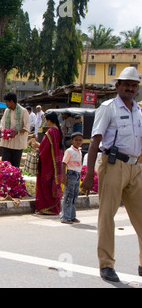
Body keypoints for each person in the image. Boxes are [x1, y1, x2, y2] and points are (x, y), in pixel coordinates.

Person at [81, 66, 142, 283]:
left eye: (134, 85)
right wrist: (89, 174)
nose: (131, 88)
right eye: (126, 84)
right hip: (113, 164)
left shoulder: (138, 111)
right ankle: (106, 265)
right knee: (107, 216)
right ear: (117, 86)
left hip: (136, 168)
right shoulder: (108, 108)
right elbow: (95, 142)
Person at [32, 111, 64, 215]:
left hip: (48, 161)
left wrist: (37, 146)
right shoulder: (59, 131)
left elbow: (44, 148)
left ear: (49, 120)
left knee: (45, 183)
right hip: (57, 160)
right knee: (53, 182)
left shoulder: (50, 131)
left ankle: (47, 207)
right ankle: (54, 207)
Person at [0, 92, 30, 168]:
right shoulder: (7, 111)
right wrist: (5, 131)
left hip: (17, 144)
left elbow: (27, 127)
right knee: (5, 166)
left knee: (15, 167)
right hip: (7, 143)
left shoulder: (23, 111)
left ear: (11, 102)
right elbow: (2, 124)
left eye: (6, 102)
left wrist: (17, 132)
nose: (6, 104)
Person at [60, 132, 83, 224]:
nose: (78, 142)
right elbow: (64, 163)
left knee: (74, 196)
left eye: (80, 140)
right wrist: (64, 176)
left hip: (77, 174)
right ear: (72, 141)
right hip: (70, 174)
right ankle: (65, 217)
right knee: (68, 196)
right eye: (76, 140)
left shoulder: (79, 151)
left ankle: (72, 216)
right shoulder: (69, 151)